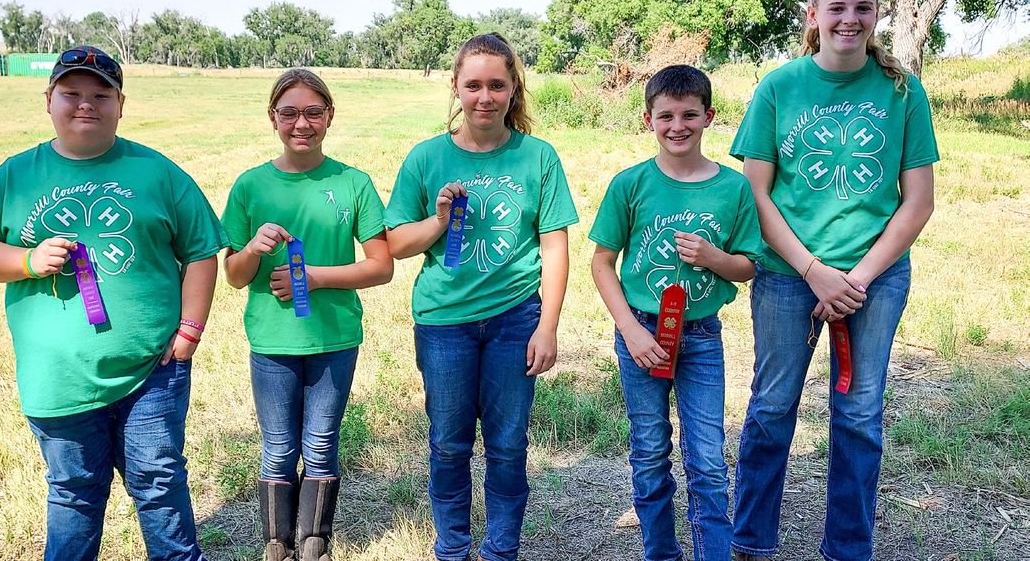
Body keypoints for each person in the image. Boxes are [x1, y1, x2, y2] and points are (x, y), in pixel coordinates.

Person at [0, 46, 227, 561]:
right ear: (48, 100)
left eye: (101, 94)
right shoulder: (16, 175)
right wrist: (28, 260)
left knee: (159, 483)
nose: (86, 104)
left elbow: (201, 251)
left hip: (153, 370)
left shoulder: (158, 173)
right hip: (58, 376)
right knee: (74, 493)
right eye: (71, 93)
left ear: (121, 104)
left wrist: (189, 330)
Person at [729, 0, 939, 561]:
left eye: (863, 9)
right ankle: (751, 541)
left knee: (859, 413)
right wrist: (813, 270)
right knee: (772, 407)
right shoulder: (779, 86)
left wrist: (858, 278)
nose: (850, 20)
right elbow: (756, 195)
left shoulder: (902, 91)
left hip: (874, 279)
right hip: (787, 276)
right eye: (838, 9)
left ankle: (848, 547)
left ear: (877, 16)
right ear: (813, 16)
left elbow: (917, 202)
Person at [384, 33, 578, 561]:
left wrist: (548, 325)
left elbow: (555, 246)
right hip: (444, 322)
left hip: (517, 318)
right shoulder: (427, 158)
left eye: (497, 85)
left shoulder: (538, 157)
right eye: (473, 86)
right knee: (448, 443)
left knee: (509, 445)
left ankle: (500, 549)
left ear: (514, 89)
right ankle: (452, 547)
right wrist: (439, 220)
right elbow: (397, 243)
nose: (485, 97)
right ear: (455, 87)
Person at [590, 65, 762, 561]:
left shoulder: (733, 188)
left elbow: (748, 266)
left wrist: (713, 258)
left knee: (707, 457)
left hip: (702, 336)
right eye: (666, 115)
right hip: (641, 334)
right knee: (648, 453)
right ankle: (660, 552)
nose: (678, 125)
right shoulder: (630, 184)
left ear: (709, 116)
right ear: (648, 120)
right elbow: (602, 263)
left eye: (690, 114)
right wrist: (630, 330)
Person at [221, 68, 393, 561]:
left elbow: (380, 268)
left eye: (313, 112)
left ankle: (314, 539)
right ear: (272, 118)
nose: (302, 123)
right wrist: (252, 249)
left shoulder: (353, 183)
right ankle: (277, 543)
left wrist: (316, 277)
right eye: (290, 112)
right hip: (272, 342)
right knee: (277, 446)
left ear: (329, 117)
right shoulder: (250, 186)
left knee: (320, 442)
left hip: (335, 338)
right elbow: (233, 275)